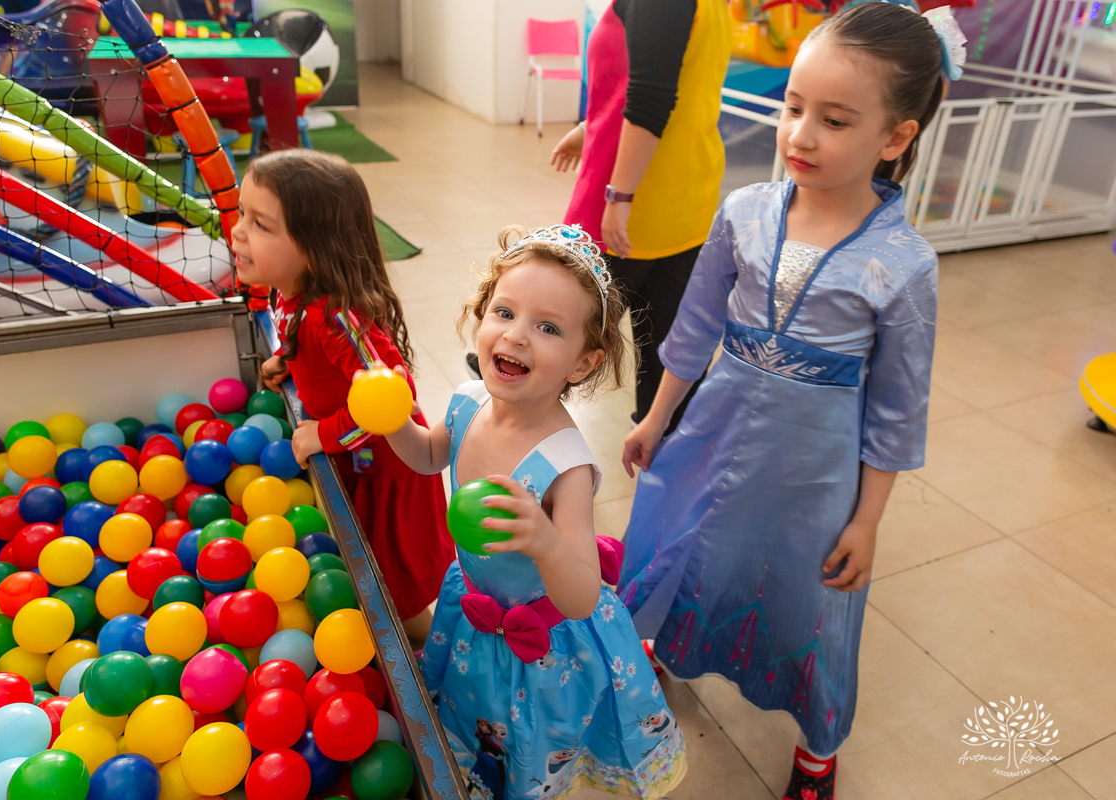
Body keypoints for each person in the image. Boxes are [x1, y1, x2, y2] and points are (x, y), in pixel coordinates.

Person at [616, 4, 965, 799]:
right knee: (685, 534)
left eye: (834, 120)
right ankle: (663, 644)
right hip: (714, 428)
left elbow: (898, 408)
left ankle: (817, 746)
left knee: (808, 593)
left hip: (816, 467)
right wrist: (656, 416)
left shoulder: (903, 264)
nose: (800, 135)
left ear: (895, 137)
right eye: (793, 107)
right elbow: (696, 326)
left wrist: (868, 520)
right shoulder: (744, 213)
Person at [384, 225, 687, 800]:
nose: (517, 336)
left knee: (526, 750)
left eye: (548, 328)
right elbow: (428, 456)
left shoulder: (564, 465)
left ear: (582, 361)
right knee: (473, 722)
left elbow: (580, 598)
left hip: (541, 645)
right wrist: (394, 422)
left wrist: (546, 540)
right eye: (504, 312)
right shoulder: (468, 402)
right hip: (474, 608)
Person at [231, 149, 456, 645]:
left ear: (314, 247)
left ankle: (432, 647)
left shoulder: (332, 317)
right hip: (357, 455)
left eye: (261, 224)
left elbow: (393, 397)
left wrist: (326, 433)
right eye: (242, 213)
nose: (238, 231)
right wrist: (285, 361)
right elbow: (299, 344)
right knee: (368, 573)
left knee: (395, 587)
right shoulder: (283, 289)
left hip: (386, 463)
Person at [551, 0, 732, 430]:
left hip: (630, 205)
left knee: (557, 337)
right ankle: (665, 461)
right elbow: (672, 76)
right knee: (666, 356)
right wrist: (586, 130)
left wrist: (620, 196)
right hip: (683, 201)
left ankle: (508, 428)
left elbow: (651, 98)